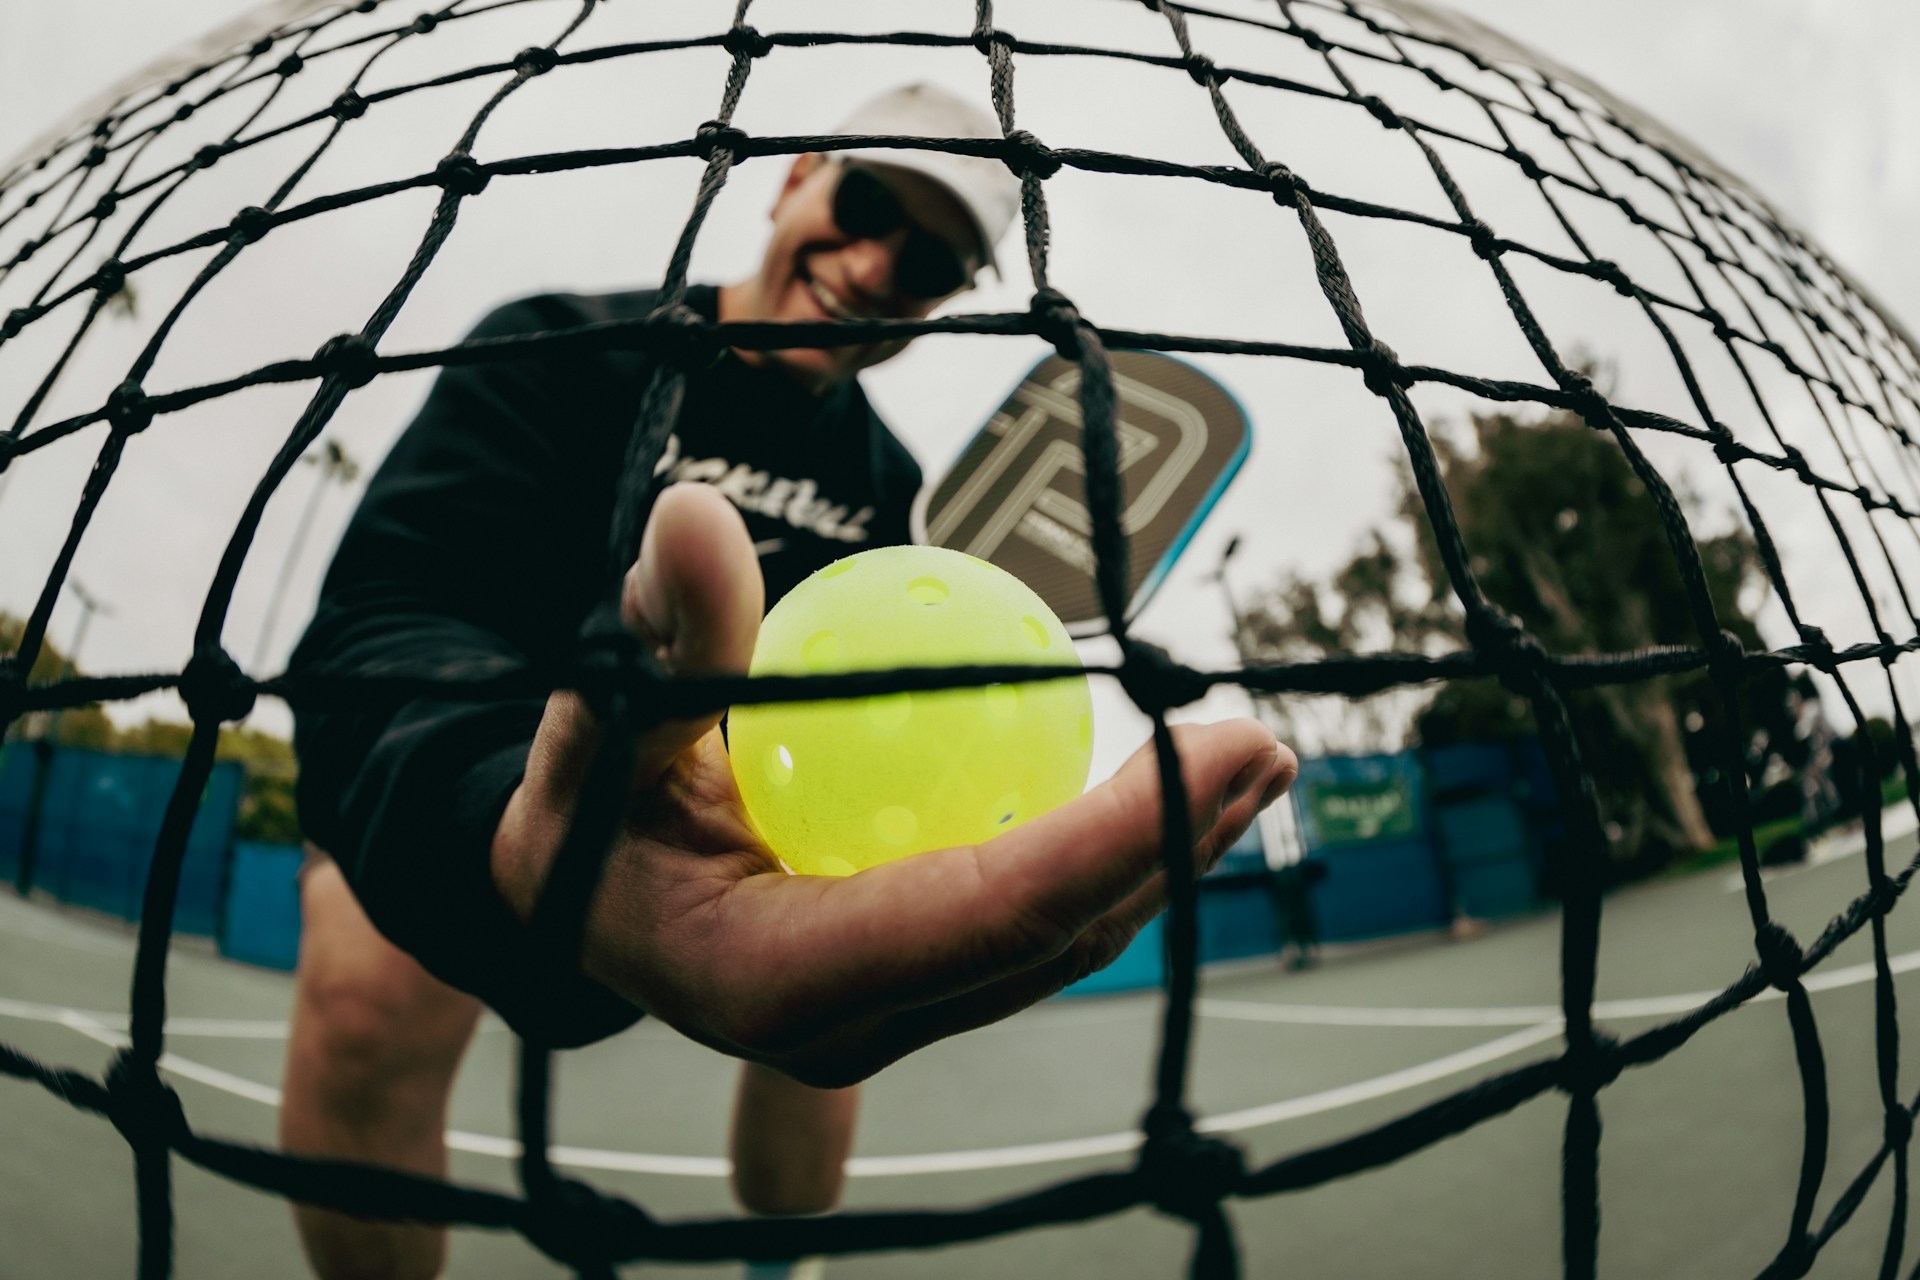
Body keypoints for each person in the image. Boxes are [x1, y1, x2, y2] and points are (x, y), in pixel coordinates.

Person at [279, 83, 1296, 1280]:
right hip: (481, 775)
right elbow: (394, 609)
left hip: (738, 834)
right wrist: (498, 803)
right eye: (865, 202)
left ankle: (784, 1265)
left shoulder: (894, 497)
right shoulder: (563, 346)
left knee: (845, 982)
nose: (872, 266)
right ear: (795, 173)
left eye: (928, 261)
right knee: (356, 986)